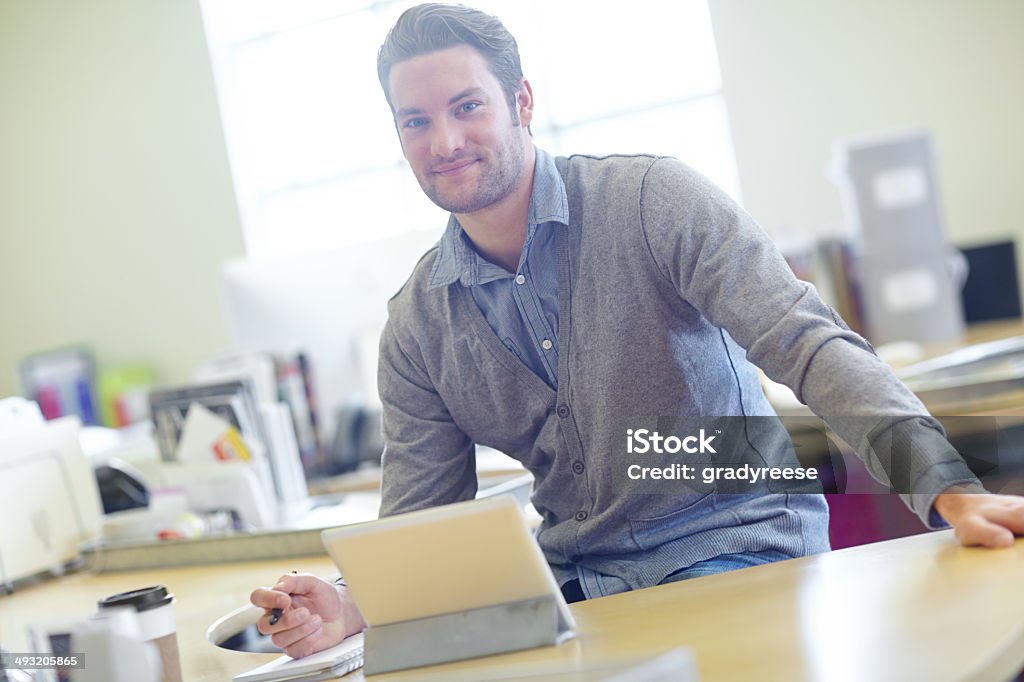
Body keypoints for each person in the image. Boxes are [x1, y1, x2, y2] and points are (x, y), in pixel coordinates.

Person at [252, 3, 1024, 658]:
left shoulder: (652, 200)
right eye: (415, 121)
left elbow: (804, 341)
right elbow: (424, 528)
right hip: (581, 593)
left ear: (520, 101)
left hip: (734, 549)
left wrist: (946, 486)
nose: (443, 142)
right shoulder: (418, 325)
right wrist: (354, 607)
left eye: (467, 107)